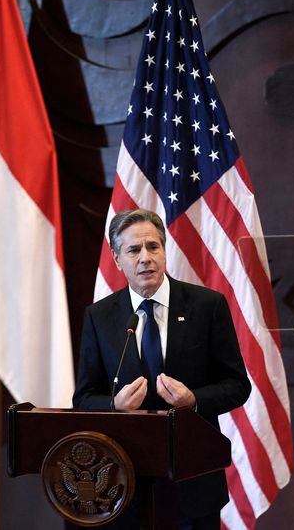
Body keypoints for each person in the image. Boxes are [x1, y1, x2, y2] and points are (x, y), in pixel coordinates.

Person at [73, 208, 251, 529]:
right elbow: (84, 397)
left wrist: (193, 399)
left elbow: (238, 385)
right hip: (123, 486)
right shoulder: (100, 317)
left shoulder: (207, 305)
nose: (145, 258)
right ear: (117, 260)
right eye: (134, 250)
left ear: (164, 250)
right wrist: (114, 406)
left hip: (193, 483)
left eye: (153, 247)